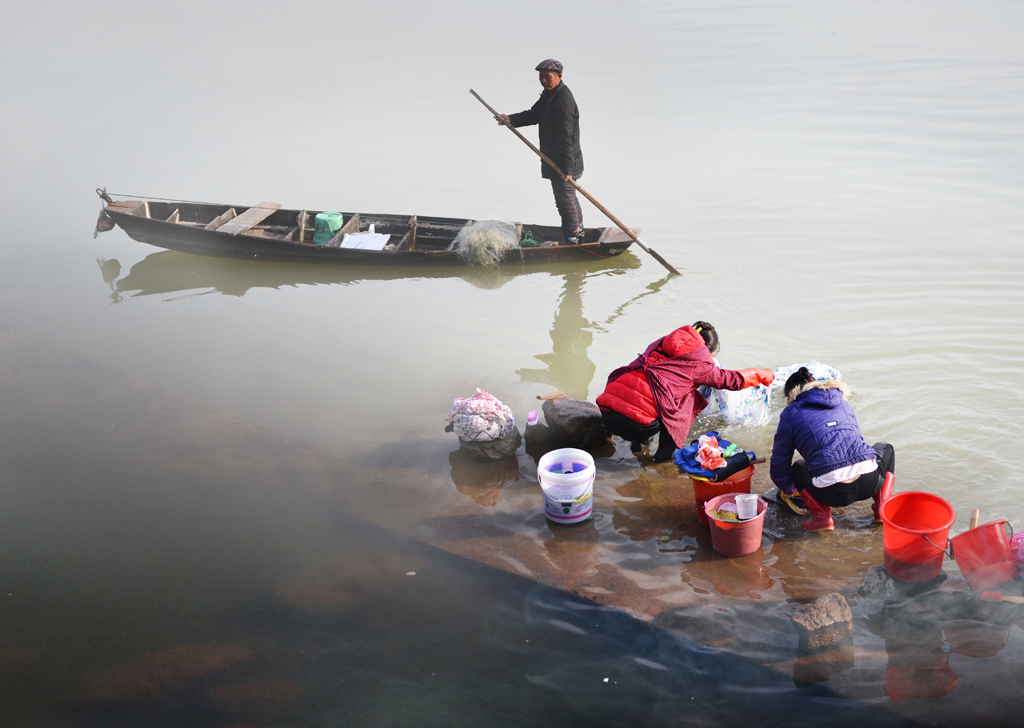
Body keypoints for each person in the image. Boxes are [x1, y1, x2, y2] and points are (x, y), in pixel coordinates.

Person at [596, 321, 774, 462]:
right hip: (638, 426)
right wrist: (763, 374)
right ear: (707, 350)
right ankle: (662, 459)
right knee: (686, 399)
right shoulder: (697, 364)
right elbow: (731, 381)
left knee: (649, 391)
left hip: (607, 413)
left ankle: (638, 448)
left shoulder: (659, 343)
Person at [770, 367, 895, 531]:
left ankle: (822, 517)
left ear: (790, 396)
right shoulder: (841, 403)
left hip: (831, 493)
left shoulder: (791, 412)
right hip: (870, 482)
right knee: (887, 449)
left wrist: (789, 490)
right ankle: (881, 508)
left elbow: (780, 462)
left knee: (798, 467)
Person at [494, 59, 585, 244]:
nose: (544, 80)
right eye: (541, 77)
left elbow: (566, 137)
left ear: (559, 77)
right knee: (568, 196)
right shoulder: (549, 95)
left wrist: (567, 168)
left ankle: (572, 236)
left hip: (565, 160)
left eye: (548, 77)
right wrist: (510, 119)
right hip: (557, 157)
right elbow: (533, 114)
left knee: (564, 199)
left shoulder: (563, 101)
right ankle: (578, 231)